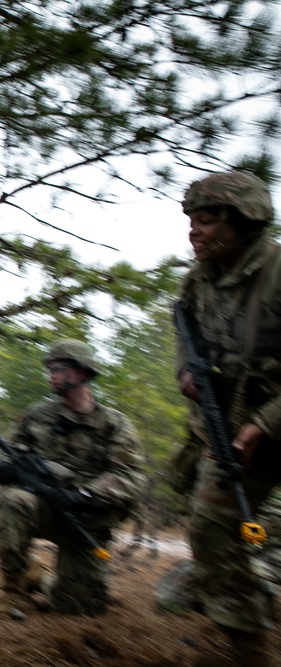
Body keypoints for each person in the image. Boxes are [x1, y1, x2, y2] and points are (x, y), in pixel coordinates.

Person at [175, 171, 281, 666]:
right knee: (211, 526)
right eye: (190, 220)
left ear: (244, 222)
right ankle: (250, 651)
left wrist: (265, 423)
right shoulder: (200, 279)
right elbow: (185, 326)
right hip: (237, 426)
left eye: (207, 219)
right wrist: (187, 375)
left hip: (269, 420)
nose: (194, 230)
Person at [0, 339, 145, 616]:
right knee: (13, 502)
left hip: (87, 518)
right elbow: (7, 452)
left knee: (79, 608)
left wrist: (85, 495)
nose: (51, 374)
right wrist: (4, 467)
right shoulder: (37, 416)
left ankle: (40, 578)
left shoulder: (115, 424)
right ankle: (14, 588)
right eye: (49, 369)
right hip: (43, 508)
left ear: (82, 373)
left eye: (59, 368)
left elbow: (130, 475)